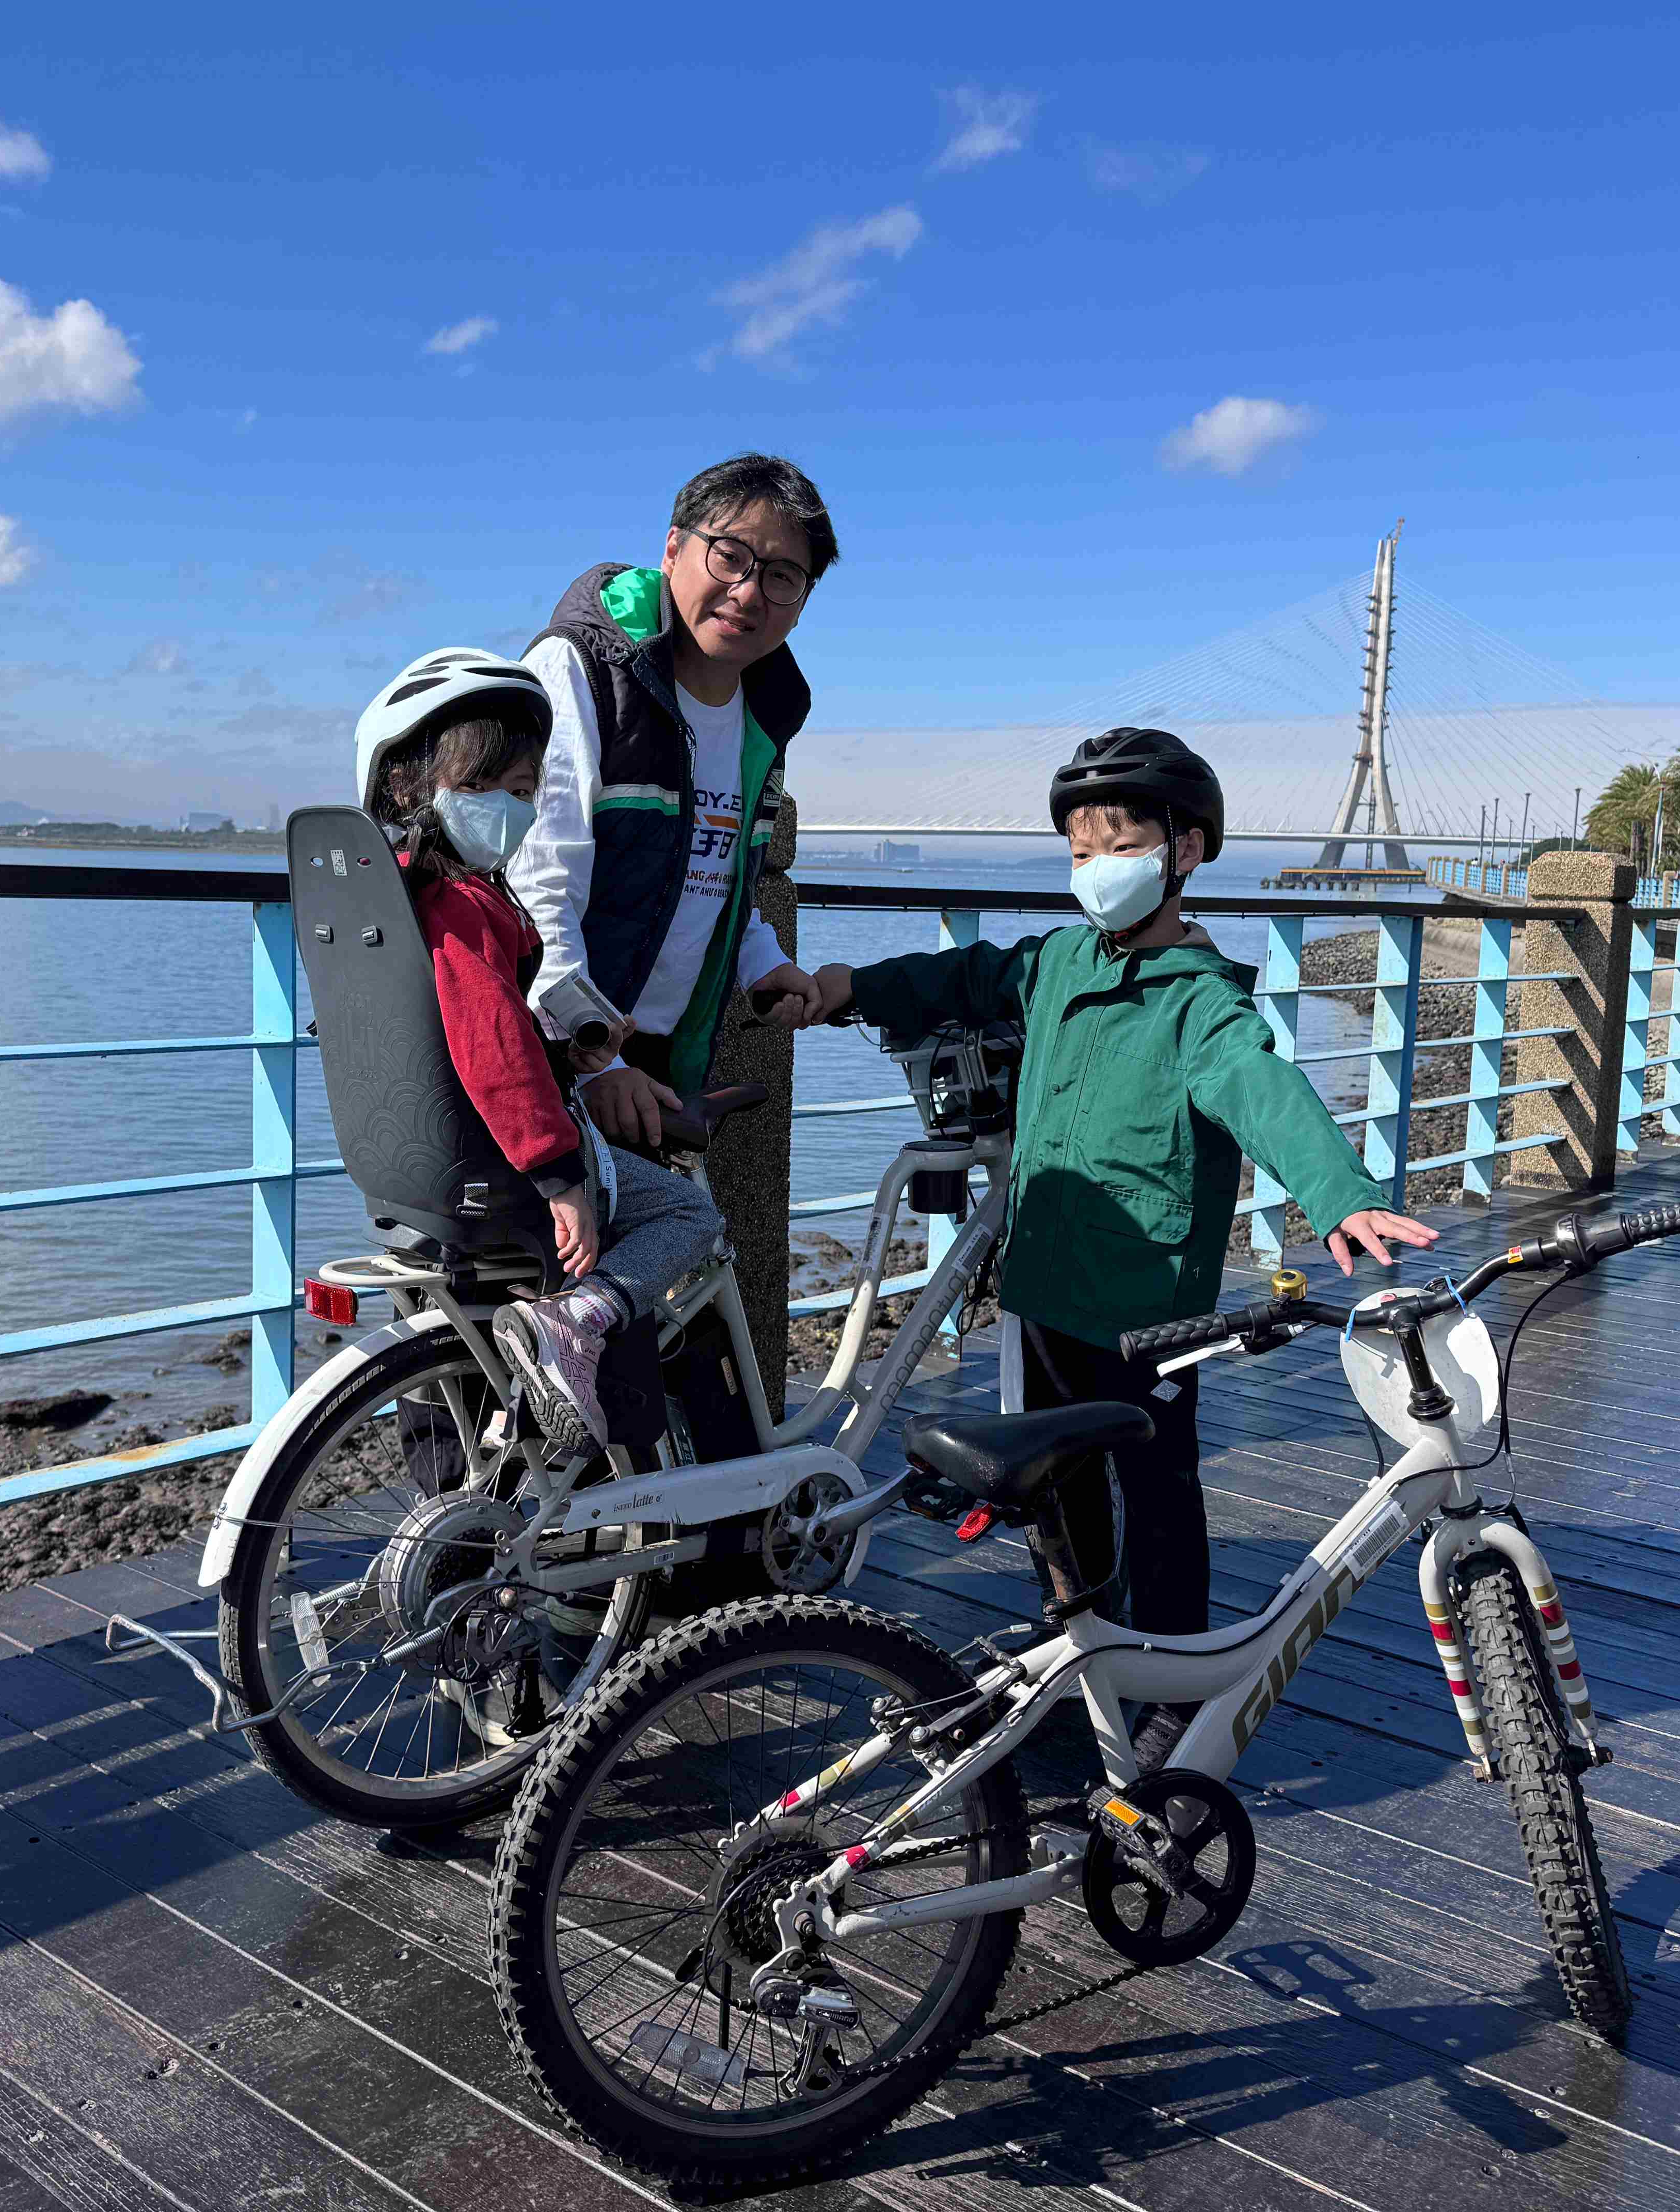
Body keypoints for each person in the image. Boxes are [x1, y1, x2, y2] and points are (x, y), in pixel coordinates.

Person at [801, 728, 1438, 1650]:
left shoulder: (1202, 1002)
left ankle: (1175, 1672)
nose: (1098, 871)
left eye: (1123, 847)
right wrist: (845, 987)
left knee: (1159, 1491)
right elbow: (964, 977)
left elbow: (1261, 1088)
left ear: (1186, 850)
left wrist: (1340, 1193)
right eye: (1080, 854)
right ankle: (1082, 1642)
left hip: (1149, 1305)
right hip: (1044, 1282)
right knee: (1055, 1485)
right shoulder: (1059, 961)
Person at [354, 648, 723, 1448]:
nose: (508, 809)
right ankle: (578, 1321)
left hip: (421, 1159)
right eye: (481, 788)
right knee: (688, 1212)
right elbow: (492, 1045)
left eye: (523, 792)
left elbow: (467, 1032)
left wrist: (569, 1052)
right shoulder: (467, 905)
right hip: (509, 1161)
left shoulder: (400, 898)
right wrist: (563, 1178)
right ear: (408, 787)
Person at [508, 454, 830, 1150]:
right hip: (550, 1053)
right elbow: (537, 885)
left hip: (657, 1058)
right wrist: (593, 1058)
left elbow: (715, 871)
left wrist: (762, 961)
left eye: (782, 577)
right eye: (730, 556)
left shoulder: (764, 714)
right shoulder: (584, 671)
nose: (749, 592)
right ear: (674, 549)